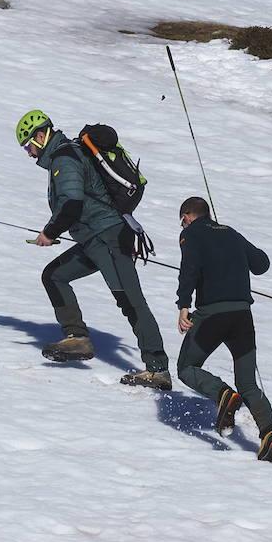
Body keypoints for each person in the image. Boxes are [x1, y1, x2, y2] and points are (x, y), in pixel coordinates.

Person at [16, 110, 171, 390]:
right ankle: (77, 338)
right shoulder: (64, 157)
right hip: (93, 240)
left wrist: (49, 233)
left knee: (130, 301)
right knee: (54, 276)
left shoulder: (64, 158)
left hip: (109, 238)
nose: (28, 153)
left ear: (41, 136)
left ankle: (158, 369)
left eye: (28, 145)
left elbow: (72, 203)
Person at [173, 196, 272, 462]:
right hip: (242, 317)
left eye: (182, 221)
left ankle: (222, 394)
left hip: (212, 316)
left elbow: (189, 270)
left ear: (188, 215)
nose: (182, 226)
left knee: (187, 368)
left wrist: (184, 304)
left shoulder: (192, 235)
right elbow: (262, 264)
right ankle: (271, 434)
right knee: (248, 383)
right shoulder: (232, 233)